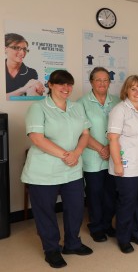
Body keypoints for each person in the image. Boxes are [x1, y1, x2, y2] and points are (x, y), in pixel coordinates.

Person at [21, 70, 93, 269]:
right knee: (45, 212)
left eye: (69, 84)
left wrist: (77, 153)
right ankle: (51, 249)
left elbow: (85, 134)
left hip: (72, 169)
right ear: (50, 85)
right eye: (61, 84)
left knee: (76, 208)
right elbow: (37, 138)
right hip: (43, 171)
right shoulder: (38, 108)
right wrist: (66, 155)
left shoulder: (77, 107)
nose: (66, 88)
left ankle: (72, 243)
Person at [108, 75, 138, 254]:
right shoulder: (119, 110)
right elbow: (113, 139)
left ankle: (135, 231)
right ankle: (123, 237)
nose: (137, 92)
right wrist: (118, 164)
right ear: (126, 90)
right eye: (133, 88)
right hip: (127, 165)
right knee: (127, 202)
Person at [78, 67, 120, 242]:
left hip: (113, 156)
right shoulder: (80, 103)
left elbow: (122, 128)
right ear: (91, 82)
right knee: (95, 194)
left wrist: (110, 149)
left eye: (105, 80)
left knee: (111, 193)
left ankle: (107, 224)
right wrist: (101, 149)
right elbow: (81, 132)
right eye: (98, 80)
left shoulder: (117, 101)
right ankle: (96, 226)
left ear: (109, 82)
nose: (102, 83)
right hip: (92, 158)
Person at [5, 33, 44, 100]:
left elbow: (32, 96)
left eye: (24, 49)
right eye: (16, 48)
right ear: (5, 49)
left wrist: (36, 91)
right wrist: (24, 89)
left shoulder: (31, 72)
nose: (22, 53)